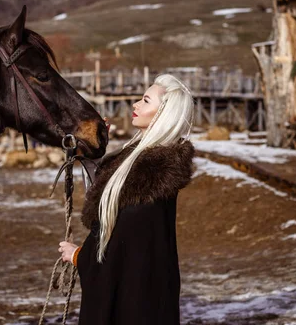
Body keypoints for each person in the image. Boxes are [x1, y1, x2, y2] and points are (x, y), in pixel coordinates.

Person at [58, 74, 196, 325]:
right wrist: (98, 158)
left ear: (162, 114)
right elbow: (111, 208)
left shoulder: (150, 174)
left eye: (145, 101)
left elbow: (119, 248)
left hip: (134, 307)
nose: (136, 105)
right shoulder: (149, 163)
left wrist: (79, 256)